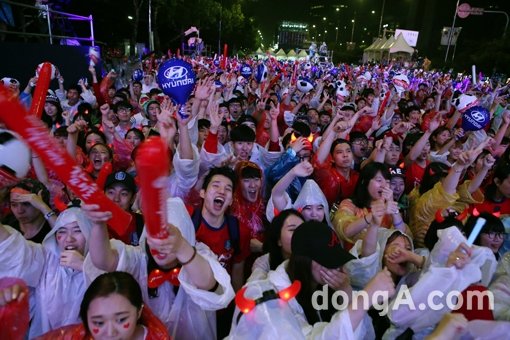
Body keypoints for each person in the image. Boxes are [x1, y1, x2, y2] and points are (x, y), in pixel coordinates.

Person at [82, 197, 234, 339]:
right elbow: (103, 261)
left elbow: (209, 284)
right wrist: (98, 225)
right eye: (155, 238)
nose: (161, 246)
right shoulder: (139, 258)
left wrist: (181, 246)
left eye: (169, 239)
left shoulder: (198, 254)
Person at [231, 221, 396, 339]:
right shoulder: (272, 299)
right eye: (327, 261)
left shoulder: (323, 287)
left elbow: (365, 335)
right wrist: (363, 300)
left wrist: (347, 293)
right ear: (304, 261)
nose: (336, 267)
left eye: (336, 260)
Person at [0, 206, 93, 338]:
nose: (69, 239)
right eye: (62, 231)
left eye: (78, 231)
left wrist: (85, 267)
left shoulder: (105, 262)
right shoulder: (47, 259)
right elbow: (14, 251)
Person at [333, 162, 407, 248]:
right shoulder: (349, 204)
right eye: (379, 180)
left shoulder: (388, 209)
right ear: (365, 182)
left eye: (387, 182)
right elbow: (346, 232)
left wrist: (392, 204)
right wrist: (376, 213)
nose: (384, 186)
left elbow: (403, 234)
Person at [248, 209, 304, 282]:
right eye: (292, 229)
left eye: (303, 229)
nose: (300, 234)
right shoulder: (264, 263)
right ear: (278, 240)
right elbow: (256, 288)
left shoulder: (313, 261)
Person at [3, 178, 56, 243]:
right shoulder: (8, 222)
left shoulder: (51, 228)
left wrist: (43, 207)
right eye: (14, 205)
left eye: (26, 204)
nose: (20, 211)